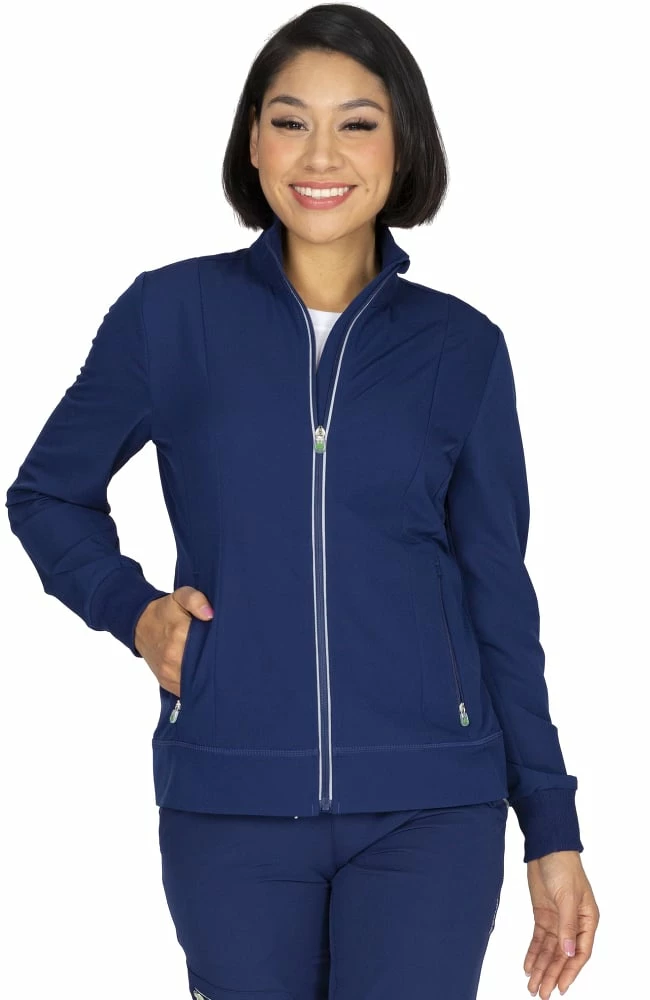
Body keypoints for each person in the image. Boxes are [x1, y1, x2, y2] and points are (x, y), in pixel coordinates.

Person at [5, 4, 599, 999]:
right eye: (290, 122)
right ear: (253, 142)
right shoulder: (170, 315)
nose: (321, 154)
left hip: (432, 802)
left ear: (403, 145)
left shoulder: (460, 348)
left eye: (357, 123)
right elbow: (47, 494)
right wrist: (134, 612)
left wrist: (552, 824)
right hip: (230, 797)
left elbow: (499, 594)